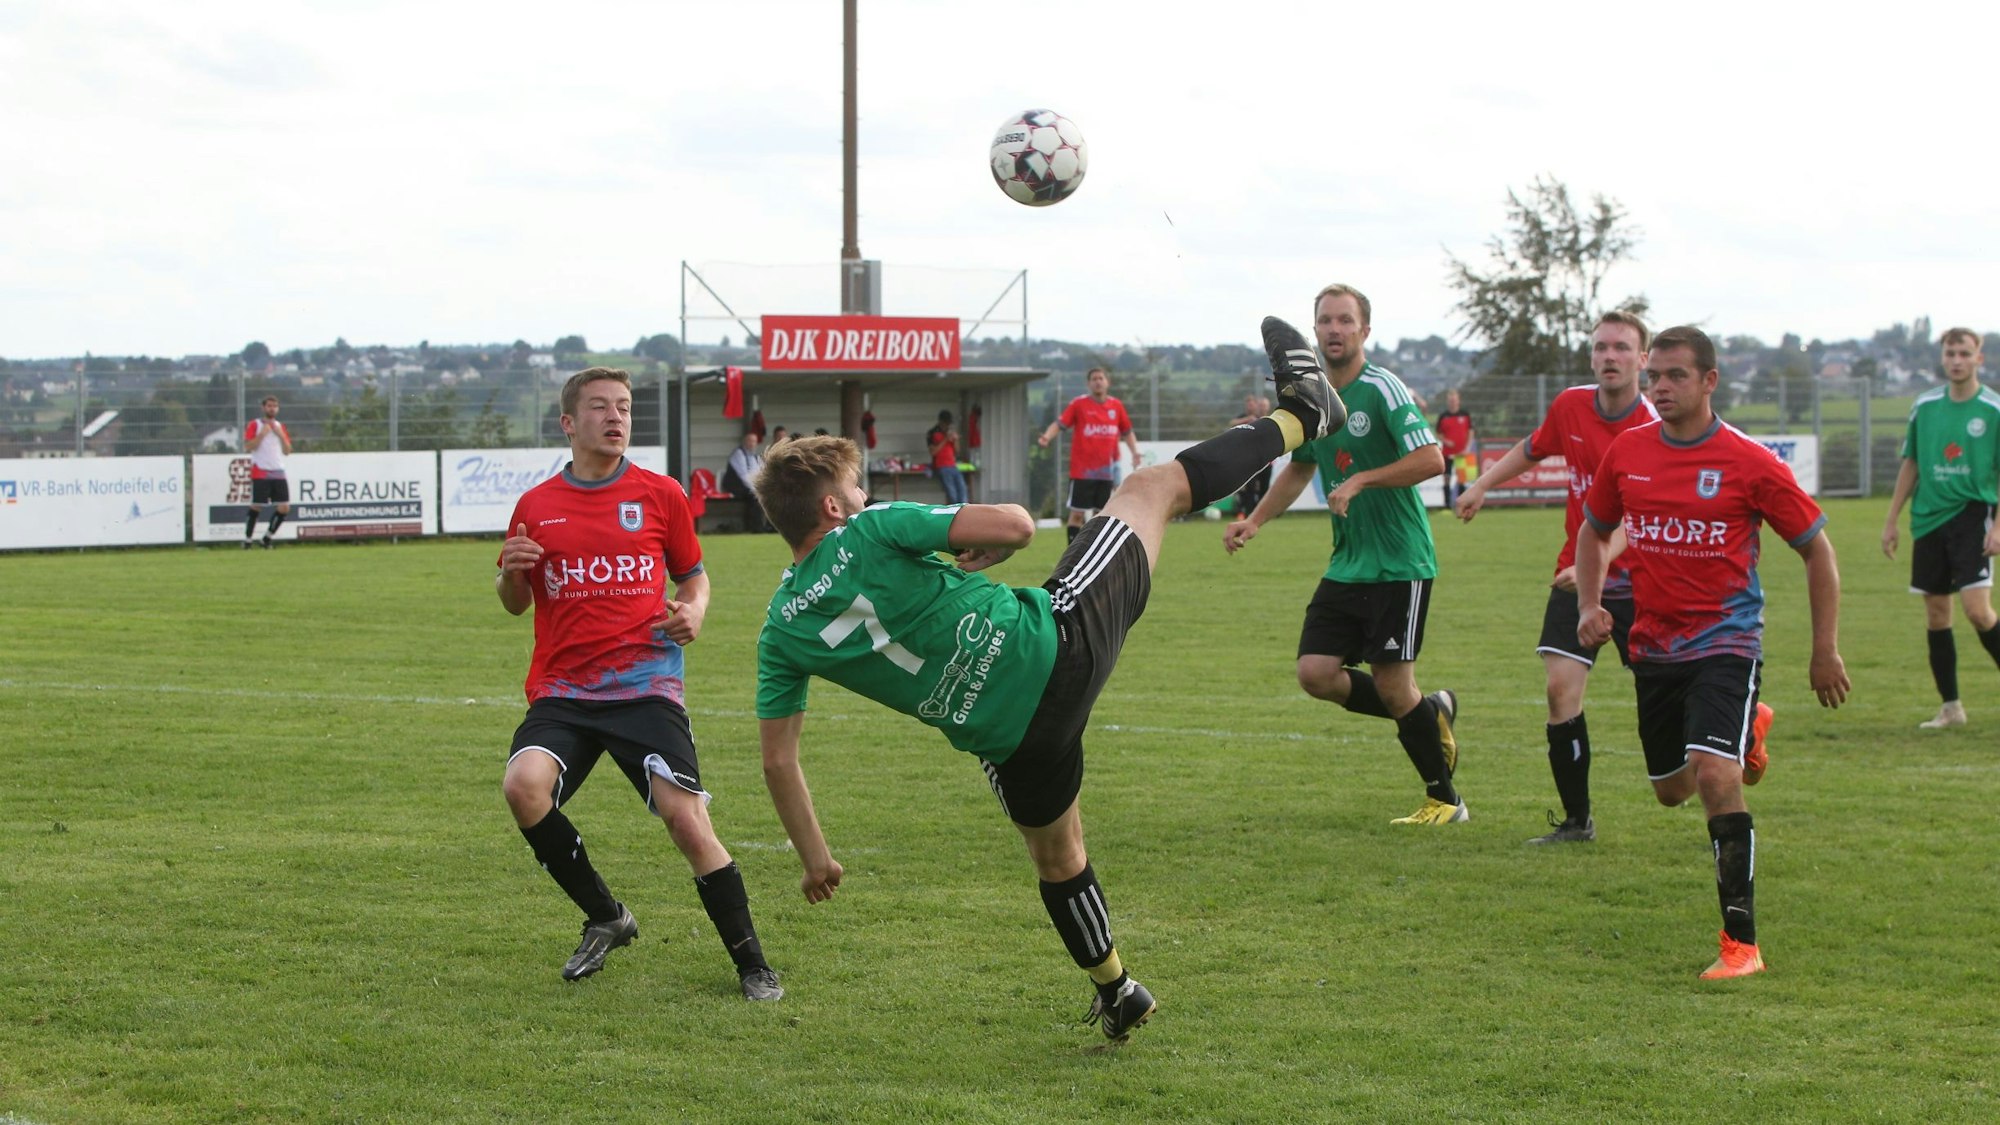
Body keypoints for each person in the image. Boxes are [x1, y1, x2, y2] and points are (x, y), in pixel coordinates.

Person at [750, 318, 1342, 1042]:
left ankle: (1117, 985)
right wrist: (976, 547)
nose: (865, 500)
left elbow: (779, 759)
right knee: (1152, 487)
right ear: (834, 509)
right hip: (1057, 644)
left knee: (1058, 855)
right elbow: (1018, 526)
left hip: (1015, 739)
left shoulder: (780, 627)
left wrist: (816, 859)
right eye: (857, 490)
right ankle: (1303, 413)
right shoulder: (869, 531)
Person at [495, 366, 782, 999]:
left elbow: (694, 577)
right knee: (524, 787)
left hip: (645, 685)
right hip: (564, 692)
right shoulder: (536, 507)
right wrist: (510, 575)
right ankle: (606, 916)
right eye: (600, 407)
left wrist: (695, 610)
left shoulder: (660, 494)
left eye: (624, 407)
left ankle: (753, 964)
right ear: (569, 423)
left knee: (685, 818)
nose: (616, 417)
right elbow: (516, 601)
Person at [1576, 326, 1850, 979]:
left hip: (1727, 640)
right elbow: (1594, 530)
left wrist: (1825, 649)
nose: (1661, 387)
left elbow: (1818, 550)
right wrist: (1590, 605)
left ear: (1709, 381)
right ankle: (1749, 731)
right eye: (1655, 377)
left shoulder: (1748, 461)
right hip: (1653, 645)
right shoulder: (1629, 452)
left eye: (1675, 375)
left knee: (1716, 776)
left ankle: (1741, 944)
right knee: (1673, 790)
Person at [1223, 284, 1464, 826]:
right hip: (1349, 561)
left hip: (1400, 562)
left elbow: (1432, 459)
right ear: (1315, 331)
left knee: (1393, 684)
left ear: (1364, 331)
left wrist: (1360, 481)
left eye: (1345, 321)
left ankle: (1446, 800)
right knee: (1315, 672)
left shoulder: (1384, 388)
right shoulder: (1314, 400)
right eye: (1325, 321)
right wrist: (1255, 520)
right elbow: (1303, 466)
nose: (1334, 329)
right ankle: (1433, 713)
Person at [1455, 311, 1672, 845]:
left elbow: (1638, 519)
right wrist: (1482, 484)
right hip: (1573, 579)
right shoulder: (1571, 406)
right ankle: (1577, 822)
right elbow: (1533, 448)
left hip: (1643, 583)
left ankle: (1743, 716)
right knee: (1560, 691)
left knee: (1672, 703)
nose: (1609, 357)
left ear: (1643, 361)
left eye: (1622, 348)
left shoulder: (1652, 429)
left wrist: (1594, 560)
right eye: (1601, 348)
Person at [1880, 326, 2000, 730]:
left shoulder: (1993, 411)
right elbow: (1911, 462)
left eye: (1965, 353)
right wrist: (1892, 519)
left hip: (1973, 514)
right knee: (1936, 614)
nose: (1956, 360)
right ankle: (1951, 707)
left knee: (1979, 612)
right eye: (1950, 353)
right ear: (1943, 358)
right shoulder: (1925, 407)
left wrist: (1998, 526)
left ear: (1978, 359)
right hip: (1928, 518)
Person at [1038, 367, 1143, 544]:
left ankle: (1092, 555)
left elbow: (1127, 431)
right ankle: (1070, 556)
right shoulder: (1079, 404)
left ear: (1107, 382)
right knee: (1077, 514)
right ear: (1088, 384)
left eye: (1101, 378)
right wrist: (1047, 437)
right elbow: (1060, 423)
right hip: (1082, 471)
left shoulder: (1116, 406)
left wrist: (1135, 452)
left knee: (1100, 515)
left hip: (1106, 473)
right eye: (1094, 379)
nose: (1098, 381)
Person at [242, 395, 293, 549]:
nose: (272, 409)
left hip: (278, 470)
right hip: (261, 470)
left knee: (284, 507)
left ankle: (267, 538)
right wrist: (262, 434)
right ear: (263, 408)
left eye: (275, 406)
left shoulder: (280, 426)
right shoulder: (255, 424)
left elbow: (287, 451)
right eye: (269, 406)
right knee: (257, 506)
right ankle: (247, 540)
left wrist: (281, 436)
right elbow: (248, 446)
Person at [1228, 393, 1274, 517]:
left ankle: (1263, 513)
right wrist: (1247, 420)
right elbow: (1232, 423)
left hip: (1266, 459)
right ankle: (1249, 512)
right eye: (1261, 405)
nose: (1262, 407)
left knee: (1264, 487)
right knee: (1250, 487)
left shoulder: (1267, 419)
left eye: (1264, 405)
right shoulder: (1248, 418)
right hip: (1250, 460)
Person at [1434, 388, 1477, 511]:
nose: (1452, 402)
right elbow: (1438, 433)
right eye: (1450, 400)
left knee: (1462, 480)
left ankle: (1461, 505)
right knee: (1446, 478)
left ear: (1458, 400)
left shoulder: (1465, 414)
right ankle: (1447, 506)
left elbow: (1471, 431)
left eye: (1454, 399)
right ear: (1448, 401)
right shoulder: (1443, 416)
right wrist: (1446, 441)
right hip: (1447, 453)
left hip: (1462, 453)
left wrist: (1467, 447)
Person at [723, 430, 766, 532]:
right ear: (744, 442)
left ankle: (767, 526)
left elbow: (759, 474)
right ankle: (756, 528)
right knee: (754, 497)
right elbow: (744, 477)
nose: (752, 444)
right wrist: (756, 489)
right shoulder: (738, 454)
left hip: (748, 487)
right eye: (749, 441)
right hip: (735, 486)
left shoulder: (754, 457)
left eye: (754, 441)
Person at [927, 409, 969, 505]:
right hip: (941, 466)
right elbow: (933, 452)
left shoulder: (950, 432)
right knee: (952, 493)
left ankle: (964, 510)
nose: (946, 426)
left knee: (963, 489)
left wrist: (955, 440)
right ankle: (954, 512)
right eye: (945, 423)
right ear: (940, 421)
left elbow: (957, 451)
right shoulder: (933, 433)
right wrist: (945, 439)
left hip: (952, 465)